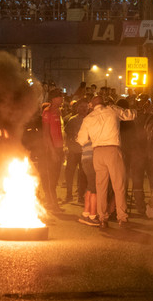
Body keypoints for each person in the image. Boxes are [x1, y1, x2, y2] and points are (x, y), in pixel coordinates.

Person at [76, 94, 137, 228]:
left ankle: (103, 218)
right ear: (104, 102)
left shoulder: (88, 118)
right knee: (118, 185)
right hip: (112, 150)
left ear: (92, 105)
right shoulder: (112, 110)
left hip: (97, 152)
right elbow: (130, 115)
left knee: (101, 186)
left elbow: (81, 140)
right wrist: (134, 108)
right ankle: (122, 217)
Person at [40, 90, 65, 211]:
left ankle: (51, 202)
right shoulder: (47, 111)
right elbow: (46, 134)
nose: (62, 98)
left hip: (60, 148)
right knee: (52, 178)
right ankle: (53, 204)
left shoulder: (59, 111)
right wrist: (53, 151)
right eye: (60, 97)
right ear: (53, 99)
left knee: (56, 177)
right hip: (52, 149)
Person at [63, 99, 89, 203]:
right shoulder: (72, 120)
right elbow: (67, 135)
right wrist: (67, 146)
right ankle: (69, 194)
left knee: (83, 175)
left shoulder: (90, 119)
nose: (84, 109)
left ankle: (80, 196)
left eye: (86, 107)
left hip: (85, 152)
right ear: (77, 108)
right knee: (69, 173)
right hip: (73, 151)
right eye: (81, 107)